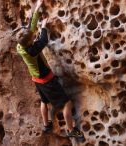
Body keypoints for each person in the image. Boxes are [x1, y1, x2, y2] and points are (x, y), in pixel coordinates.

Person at [16, 0, 84, 139]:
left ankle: (46, 125)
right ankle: (72, 130)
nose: (32, 36)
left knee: (44, 101)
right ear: (29, 43)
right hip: (47, 81)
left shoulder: (20, 46)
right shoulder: (32, 50)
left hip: (37, 80)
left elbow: (30, 29)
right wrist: (44, 27)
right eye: (31, 39)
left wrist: (38, 7)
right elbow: (43, 40)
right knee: (66, 104)